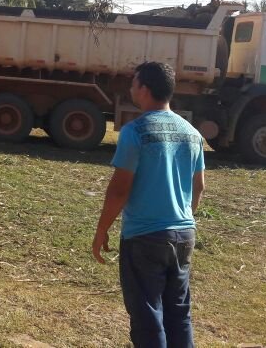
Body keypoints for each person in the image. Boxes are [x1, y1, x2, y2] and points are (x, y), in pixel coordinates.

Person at [92, 61, 206, 348]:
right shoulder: (192, 133)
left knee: (147, 316)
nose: (131, 88)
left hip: (144, 237)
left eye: (133, 83)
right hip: (183, 235)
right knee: (178, 314)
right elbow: (199, 186)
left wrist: (101, 229)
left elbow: (119, 190)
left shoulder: (136, 131)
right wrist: (181, 219)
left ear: (144, 89)